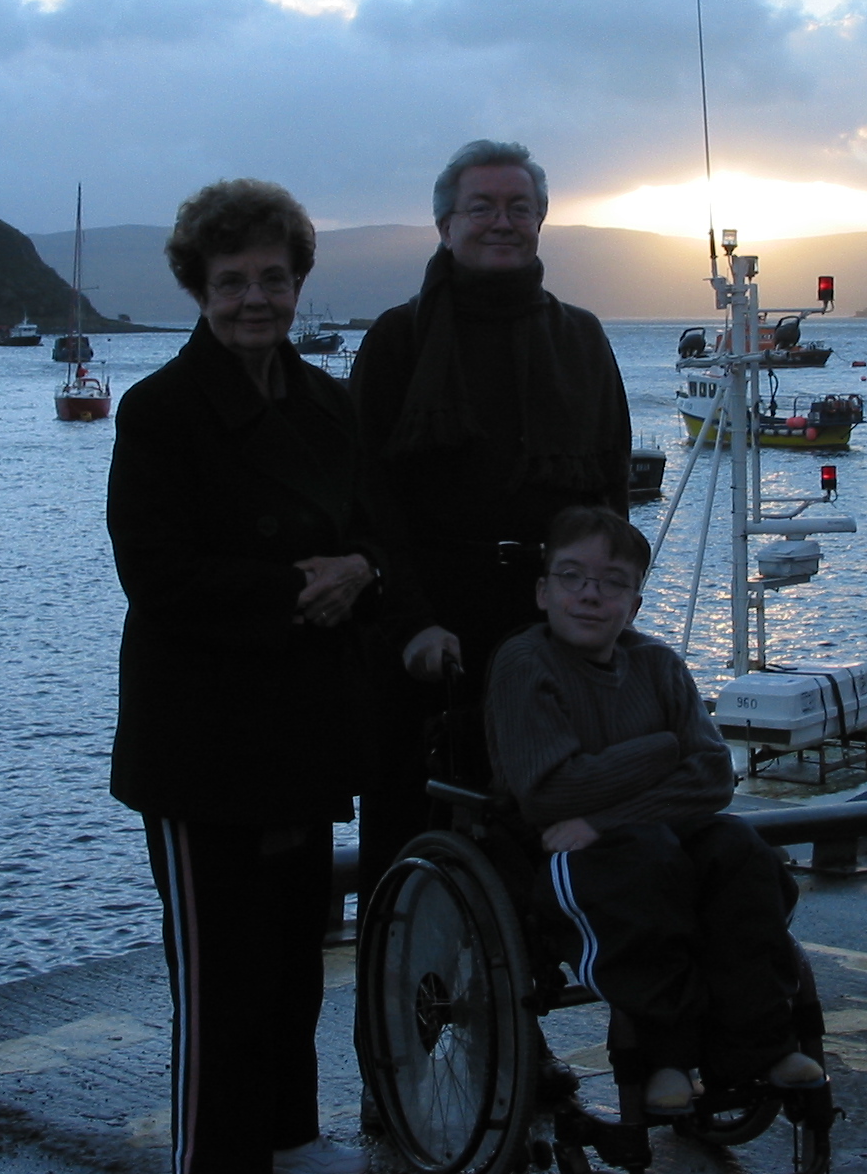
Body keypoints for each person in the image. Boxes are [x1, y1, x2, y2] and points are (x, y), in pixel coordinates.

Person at [106, 178, 378, 1174]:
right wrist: (292, 591)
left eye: (273, 277)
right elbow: (156, 575)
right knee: (219, 989)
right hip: (201, 749)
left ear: (299, 281)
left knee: (294, 972)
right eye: (233, 282)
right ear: (198, 288)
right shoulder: (160, 412)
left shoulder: (328, 404)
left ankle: (293, 1142)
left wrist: (362, 568)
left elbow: (368, 528)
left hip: (303, 733)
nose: (255, 298)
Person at [349, 139, 633, 885]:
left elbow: (609, 494)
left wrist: (601, 612)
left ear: (541, 221)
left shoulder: (582, 337)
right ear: (446, 224)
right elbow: (368, 502)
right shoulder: (396, 340)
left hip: (551, 628)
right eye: (482, 208)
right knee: (407, 863)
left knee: (547, 854)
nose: (502, 222)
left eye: (520, 208)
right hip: (428, 636)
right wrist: (409, 624)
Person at [484, 505, 822, 1114]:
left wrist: (606, 816)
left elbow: (714, 773)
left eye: (612, 583)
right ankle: (664, 1056)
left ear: (634, 603)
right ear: (542, 591)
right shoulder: (524, 663)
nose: (590, 595)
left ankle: (761, 1044)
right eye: (572, 577)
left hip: (625, 835)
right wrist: (660, 750)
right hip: (556, 856)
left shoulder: (658, 664)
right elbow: (550, 791)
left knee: (741, 853)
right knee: (647, 862)